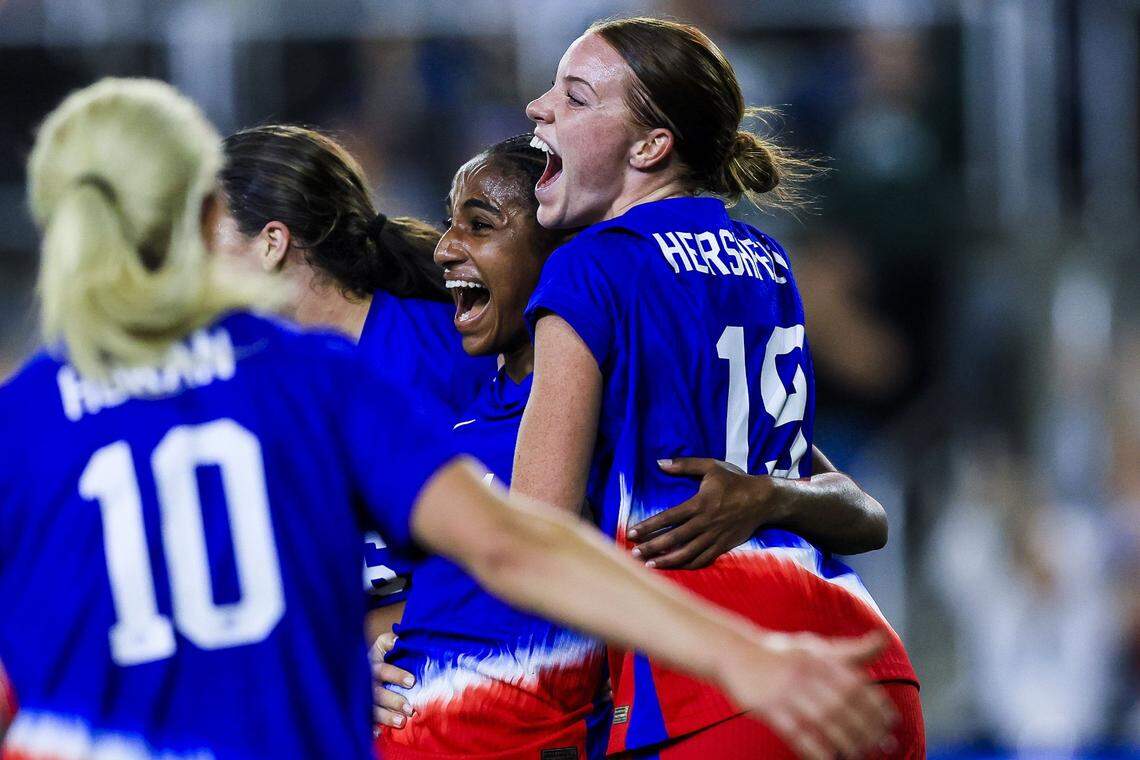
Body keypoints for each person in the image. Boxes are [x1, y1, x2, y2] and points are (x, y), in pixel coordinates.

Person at [0, 78, 894, 760]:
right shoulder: (315, 383)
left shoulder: (29, 412)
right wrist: (742, 655)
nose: (449, 247)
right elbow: (515, 543)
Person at [375, 135, 895, 760]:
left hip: (644, 720)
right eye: (448, 225)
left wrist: (768, 496)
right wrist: (384, 651)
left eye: (480, 226)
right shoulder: (465, 403)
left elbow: (865, 514)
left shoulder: (630, 401)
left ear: (560, 254)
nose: (446, 249)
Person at [513, 18, 922, 758]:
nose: (539, 108)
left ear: (649, 146)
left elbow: (530, 538)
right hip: (871, 669)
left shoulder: (590, 268)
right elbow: (860, 511)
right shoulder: (767, 261)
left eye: (575, 98)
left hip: (717, 688)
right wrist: (770, 497)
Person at [213, 125, 496, 623]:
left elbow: (510, 550)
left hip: (473, 671)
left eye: (204, 238)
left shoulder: (450, 350)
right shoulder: (234, 383)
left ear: (271, 243)